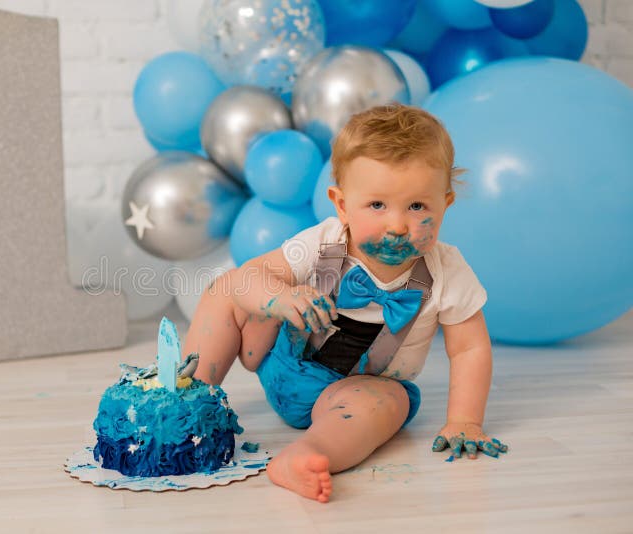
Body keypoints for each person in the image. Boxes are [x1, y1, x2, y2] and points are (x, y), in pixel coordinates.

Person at [181, 103, 508, 503]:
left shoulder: (447, 272)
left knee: (390, 403)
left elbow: (470, 347)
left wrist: (464, 421)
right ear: (341, 204)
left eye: (418, 206)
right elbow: (250, 277)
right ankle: (189, 401)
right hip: (276, 357)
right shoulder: (324, 243)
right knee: (228, 287)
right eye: (377, 205)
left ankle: (308, 454)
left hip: (352, 394)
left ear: (446, 203)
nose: (397, 225)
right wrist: (282, 297)